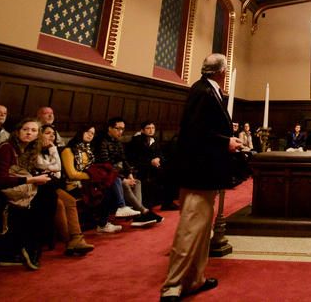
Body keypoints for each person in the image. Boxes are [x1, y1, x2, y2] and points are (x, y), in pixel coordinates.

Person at [161, 53, 243, 301]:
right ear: (221, 71)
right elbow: (194, 133)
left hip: (207, 171)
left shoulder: (210, 90)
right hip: (198, 172)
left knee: (202, 230)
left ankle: (195, 279)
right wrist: (226, 141)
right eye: (226, 68)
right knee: (190, 228)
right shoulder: (202, 91)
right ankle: (172, 286)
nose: (226, 72)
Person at [0, 118, 57, 270]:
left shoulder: (28, 149)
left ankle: (32, 246)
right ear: (17, 131)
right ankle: (32, 247)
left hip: (21, 188)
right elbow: (0, 180)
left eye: (34, 130)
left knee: (50, 192)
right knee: (46, 198)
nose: (29, 133)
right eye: (25, 129)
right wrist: (32, 179)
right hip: (3, 191)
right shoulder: (6, 148)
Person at [35, 124, 93, 255]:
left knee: (70, 201)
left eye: (53, 134)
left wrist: (53, 149)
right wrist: (52, 156)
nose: (51, 136)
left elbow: (57, 170)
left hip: (50, 185)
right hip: (37, 186)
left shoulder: (50, 149)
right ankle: (70, 242)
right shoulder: (34, 150)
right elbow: (41, 164)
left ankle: (76, 239)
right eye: (47, 133)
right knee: (59, 204)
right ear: (39, 135)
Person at [62, 125, 131, 234]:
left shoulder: (88, 150)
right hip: (74, 184)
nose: (90, 135)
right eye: (88, 131)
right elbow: (72, 174)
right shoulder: (68, 150)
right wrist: (94, 176)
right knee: (108, 189)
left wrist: (97, 175)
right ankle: (105, 221)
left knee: (111, 183)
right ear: (81, 132)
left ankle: (105, 221)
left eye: (92, 133)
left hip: (88, 182)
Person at [95, 117, 161, 227]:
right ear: (110, 128)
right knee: (124, 183)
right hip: (108, 175)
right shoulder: (102, 142)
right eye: (118, 128)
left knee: (136, 182)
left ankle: (139, 216)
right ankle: (142, 212)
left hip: (117, 173)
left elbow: (124, 160)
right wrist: (123, 178)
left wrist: (129, 174)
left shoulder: (117, 141)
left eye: (122, 129)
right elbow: (106, 164)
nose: (120, 131)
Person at [127, 121, 179, 211]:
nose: (151, 130)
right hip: (142, 166)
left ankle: (167, 203)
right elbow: (134, 158)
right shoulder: (136, 141)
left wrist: (158, 158)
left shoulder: (154, 140)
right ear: (142, 130)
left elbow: (161, 155)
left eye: (153, 128)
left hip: (154, 166)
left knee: (172, 173)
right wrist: (150, 162)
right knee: (162, 175)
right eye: (148, 128)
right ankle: (150, 205)